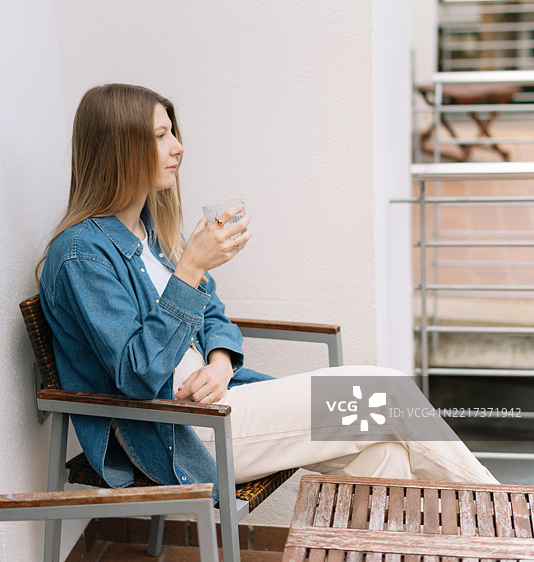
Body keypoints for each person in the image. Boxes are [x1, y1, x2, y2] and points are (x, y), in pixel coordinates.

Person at [38, 83, 496, 502]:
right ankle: (515, 519)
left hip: (222, 402)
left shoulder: (148, 232)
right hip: (180, 434)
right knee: (385, 393)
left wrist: (218, 364)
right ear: (119, 147)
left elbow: (213, 313)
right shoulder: (81, 255)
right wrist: (192, 267)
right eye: (160, 136)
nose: (178, 147)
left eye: (172, 133)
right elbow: (137, 377)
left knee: (384, 459)